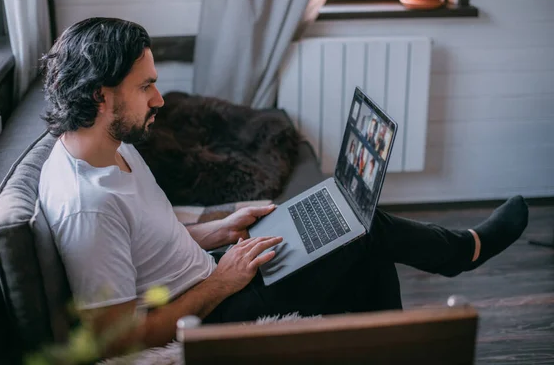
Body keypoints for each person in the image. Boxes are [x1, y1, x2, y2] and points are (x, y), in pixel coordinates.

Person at [39, 18, 529, 357]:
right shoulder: (88, 206)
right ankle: (462, 252)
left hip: (214, 275)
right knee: (359, 229)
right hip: (215, 312)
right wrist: (221, 282)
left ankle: (394, 336)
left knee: (349, 227)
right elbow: (119, 341)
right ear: (103, 97)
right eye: (145, 86)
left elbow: (146, 246)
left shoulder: (112, 149)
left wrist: (217, 230)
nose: (160, 99)